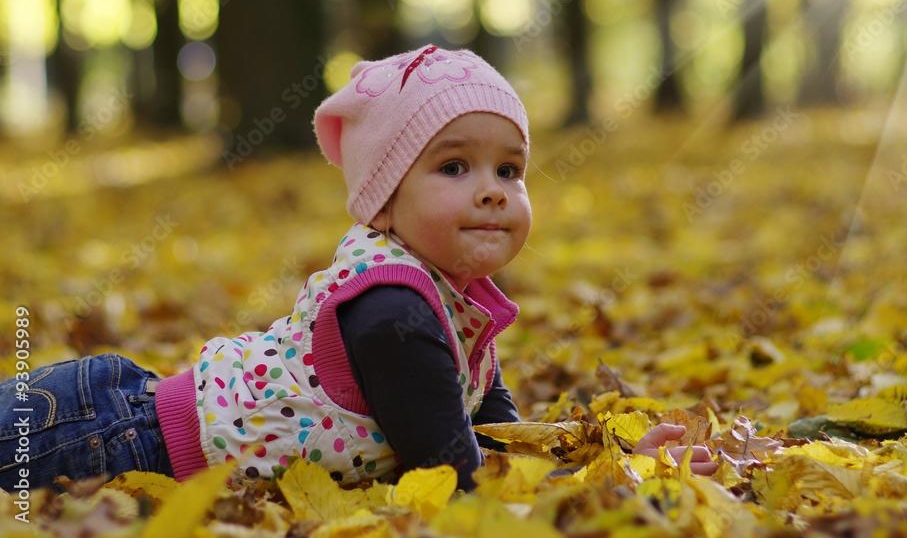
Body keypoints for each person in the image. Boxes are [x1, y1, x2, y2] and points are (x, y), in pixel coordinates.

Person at [0, 45, 716, 493]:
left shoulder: (452, 303)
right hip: (110, 437)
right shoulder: (394, 313)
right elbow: (455, 476)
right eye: (455, 166)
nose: (494, 188)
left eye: (510, 168)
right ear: (383, 199)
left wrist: (613, 461)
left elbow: (499, 442)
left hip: (118, 418)